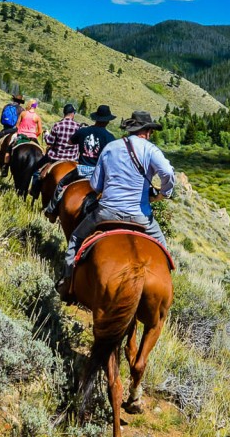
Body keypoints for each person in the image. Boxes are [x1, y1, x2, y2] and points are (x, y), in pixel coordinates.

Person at [56, 110, 175, 302]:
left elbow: (95, 185)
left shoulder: (111, 147)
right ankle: (164, 292)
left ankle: (67, 284)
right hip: (140, 216)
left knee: (76, 239)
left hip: (106, 213)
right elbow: (168, 173)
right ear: (147, 131)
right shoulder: (151, 150)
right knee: (164, 250)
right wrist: (164, 193)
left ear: (131, 129)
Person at [43, 104, 115, 216]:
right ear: (108, 121)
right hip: (98, 173)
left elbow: (70, 142)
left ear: (96, 118)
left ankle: (51, 211)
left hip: (81, 169)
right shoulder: (110, 137)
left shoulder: (84, 131)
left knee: (61, 184)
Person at [0, 94, 24, 169]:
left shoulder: (6, 106)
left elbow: (1, 120)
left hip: (6, 129)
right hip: (15, 130)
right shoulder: (21, 110)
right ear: (20, 102)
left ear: (13, 99)